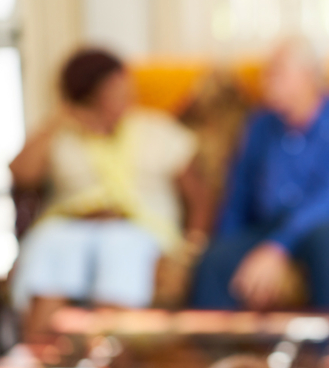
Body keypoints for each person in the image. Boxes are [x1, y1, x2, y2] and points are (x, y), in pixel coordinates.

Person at [9, 48, 210, 339]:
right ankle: (38, 352)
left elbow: (199, 194)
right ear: (89, 95)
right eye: (114, 89)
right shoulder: (63, 134)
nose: (126, 95)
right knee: (51, 248)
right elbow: (21, 174)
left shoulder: (154, 129)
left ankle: (108, 351)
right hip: (69, 228)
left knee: (118, 251)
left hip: (136, 228)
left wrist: (193, 244)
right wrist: (61, 118)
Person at [191, 39, 329, 310]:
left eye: (276, 72)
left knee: (324, 238)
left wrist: (277, 247)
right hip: (276, 222)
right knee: (215, 260)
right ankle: (220, 351)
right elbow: (239, 193)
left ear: (308, 77)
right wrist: (230, 244)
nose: (265, 80)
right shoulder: (259, 124)